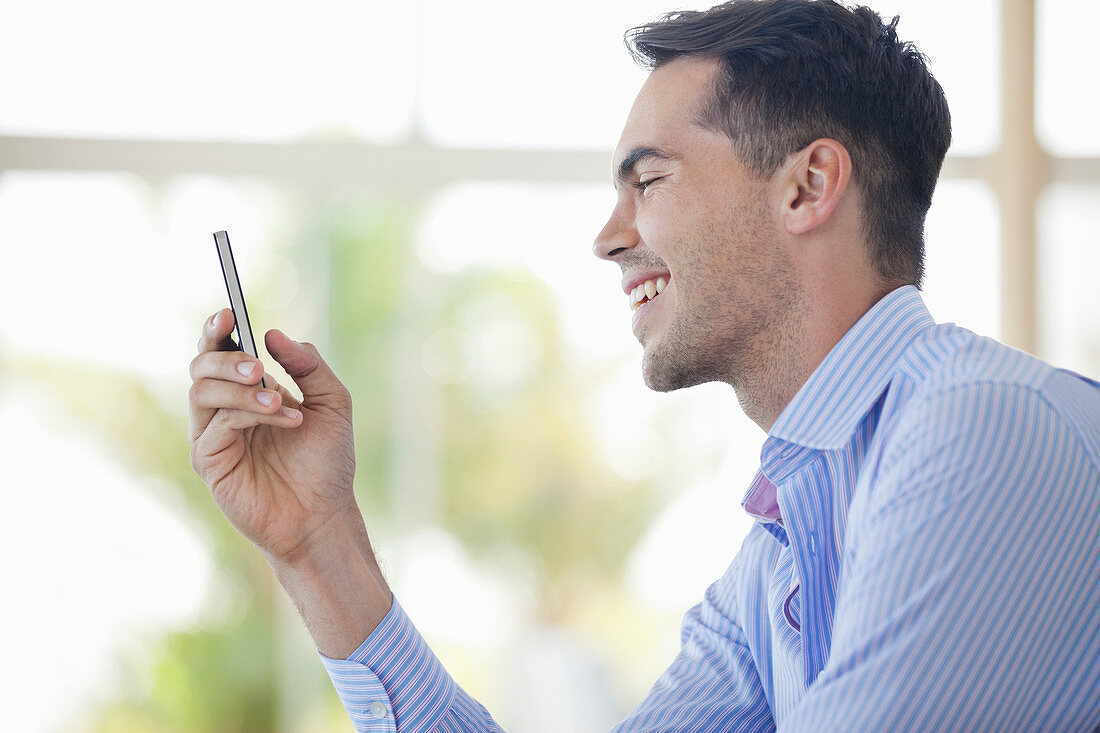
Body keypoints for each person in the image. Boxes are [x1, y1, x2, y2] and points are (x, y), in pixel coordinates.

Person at [188, 0, 1100, 730]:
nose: (609, 236)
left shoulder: (983, 428)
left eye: (648, 180)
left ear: (808, 186)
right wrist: (319, 544)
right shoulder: (779, 556)